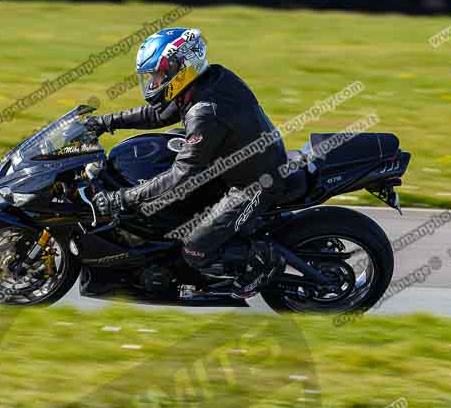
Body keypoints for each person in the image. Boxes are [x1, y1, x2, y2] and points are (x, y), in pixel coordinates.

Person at [83, 27, 294, 294]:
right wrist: (106, 122)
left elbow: (181, 175)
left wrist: (123, 198)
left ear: (181, 67)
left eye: (159, 74)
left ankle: (266, 260)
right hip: (229, 166)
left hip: (255, 183)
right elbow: (159, 114)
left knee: (195, 249)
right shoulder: (206, 81)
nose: (154, 81)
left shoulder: (205, 111)